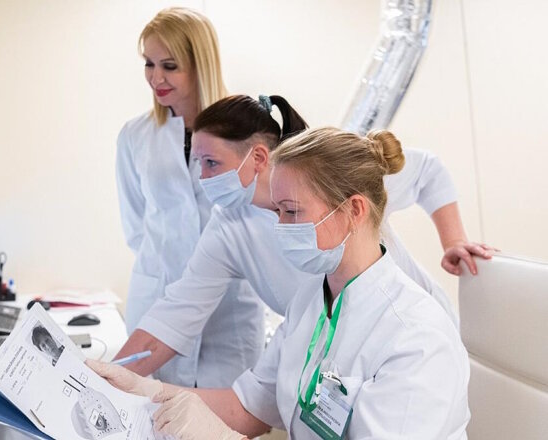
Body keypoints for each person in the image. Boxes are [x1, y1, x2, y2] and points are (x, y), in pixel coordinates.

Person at [90, 127, 471, 439]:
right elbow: (249, 406)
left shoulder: (415, 338)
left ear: (354, 210)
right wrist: (145, 391)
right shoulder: (312, 300)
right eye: (277, 211)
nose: (280, 228)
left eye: (291, 211)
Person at [115, 95, 493, 380]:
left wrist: (453, 241)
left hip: (413, 341)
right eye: (199, 164)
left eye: (212, 163)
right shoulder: (228, 226)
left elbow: (427, 171)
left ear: (258, 158)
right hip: (341, 366)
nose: (203, 179)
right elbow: (178, 312)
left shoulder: (330, 173)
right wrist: (107, 378)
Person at [116, 8, 265, 387]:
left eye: (170, 65)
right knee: (150, 409)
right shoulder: (135, 135)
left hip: (227, 317)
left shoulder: (248, 131)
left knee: (225, 413)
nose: (156, 78)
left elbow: (263, 215)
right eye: (149, 64)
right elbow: (136, 227)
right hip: (156, 302)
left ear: (201, 65)